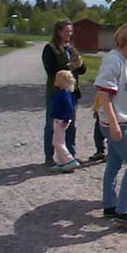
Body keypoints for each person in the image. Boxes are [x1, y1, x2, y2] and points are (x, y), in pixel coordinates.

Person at [94, 21, 127, 229]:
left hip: (123, 121)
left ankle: (109, 205)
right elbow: (104, 95)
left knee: (114, 164)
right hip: (113, 123)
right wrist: (115, 124)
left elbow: (126, 95)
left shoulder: (126, 61)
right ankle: (123, 210)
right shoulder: (113, 60)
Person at [42, 20, 86, 166]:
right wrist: (69, 65)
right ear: (59, 32)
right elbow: (52, 71)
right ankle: (49, 157)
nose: (69, 34)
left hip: (72, 91)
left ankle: (69, 156)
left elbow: (82, 70)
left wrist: (77, 61)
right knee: (52, 124)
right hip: (56, 92)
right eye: (66, 31)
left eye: (70, 31)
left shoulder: (71, 49)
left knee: (70, 123)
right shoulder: (50, 49)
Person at [49, 70, 80, 173]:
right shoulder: (63, 92)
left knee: (57, 142)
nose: (55, 81)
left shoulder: (64, 93)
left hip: (61, 120)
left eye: (57, 79)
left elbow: (69, 108)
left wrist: (66, 119)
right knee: (58, 141)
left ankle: (70, 160)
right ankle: (61, 162)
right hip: (58, 120)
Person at [89, 93, 106, 162]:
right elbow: (98, 98)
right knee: (98, 134)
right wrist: (96, 110)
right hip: (100, 111)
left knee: (110, 134)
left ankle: (111, 153)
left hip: (108, 111)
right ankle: (100, 151)